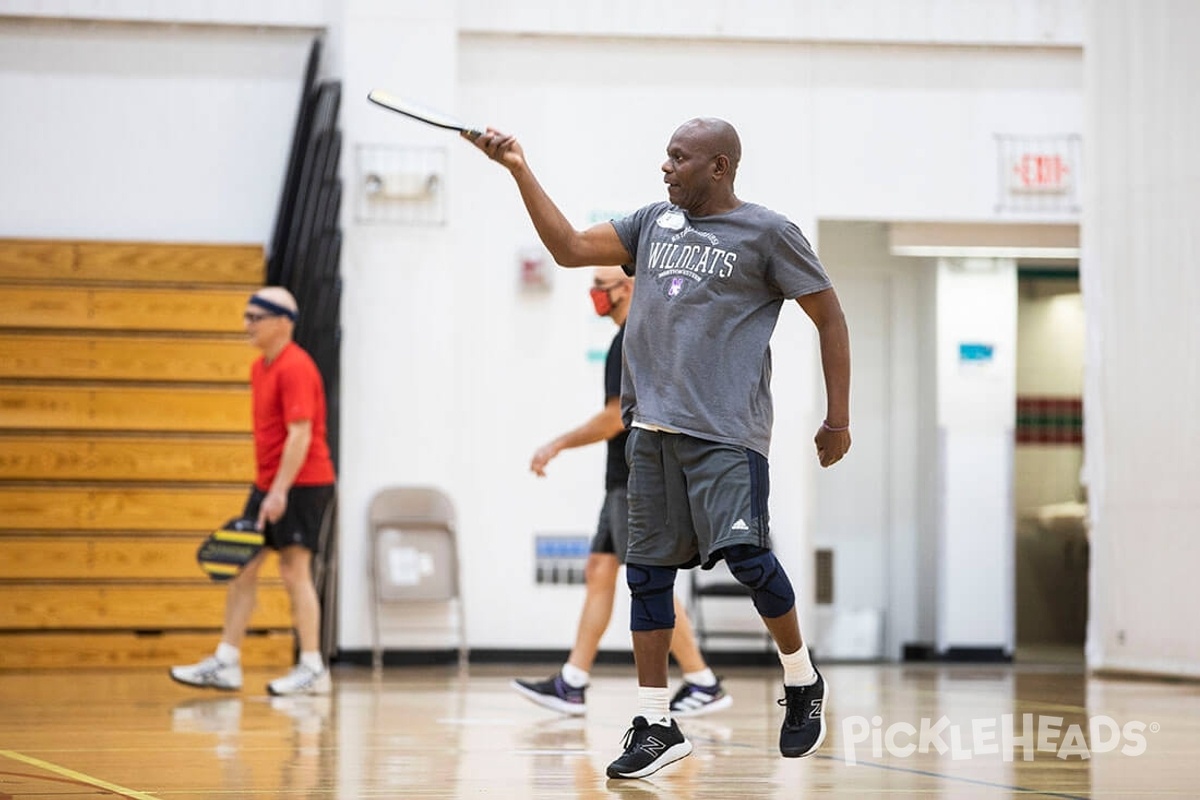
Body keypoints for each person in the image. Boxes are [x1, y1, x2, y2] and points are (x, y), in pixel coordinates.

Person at [468, 117, 851, 779]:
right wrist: (519, 169)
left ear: (719, 167)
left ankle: (800, 680)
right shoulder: (652, 223)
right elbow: (564, 247)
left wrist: (836, 417)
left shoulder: (768, 233)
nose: (665, 167)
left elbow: (829, 316)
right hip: (651, 436)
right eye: (667, 156)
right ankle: (655, 721)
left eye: (679, 158)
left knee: (748, 558)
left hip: (727, 434)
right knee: (646, 577)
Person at [512, 266, 732, 719]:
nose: (594, 293)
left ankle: (701, 680)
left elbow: (616, 417)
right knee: (599, 570)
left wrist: (556, 444)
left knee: (651, 583)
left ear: (627, 287)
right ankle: (572, 681)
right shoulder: (630, 338)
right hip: (623, 477)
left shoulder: (633, 337)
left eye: (600, 284)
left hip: (639, 479)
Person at [171, 286, 337, 697]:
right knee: (243, 567)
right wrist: (269, 489)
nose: (247, 325)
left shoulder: (296, 367)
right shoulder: (260, 368)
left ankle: (313, 667)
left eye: (254, 317)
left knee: (293, 570)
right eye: (246, 316)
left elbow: (300, 435)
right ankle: (226, 662)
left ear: (282, 322)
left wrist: (279, 492)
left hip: (302, 483)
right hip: (269, 484)